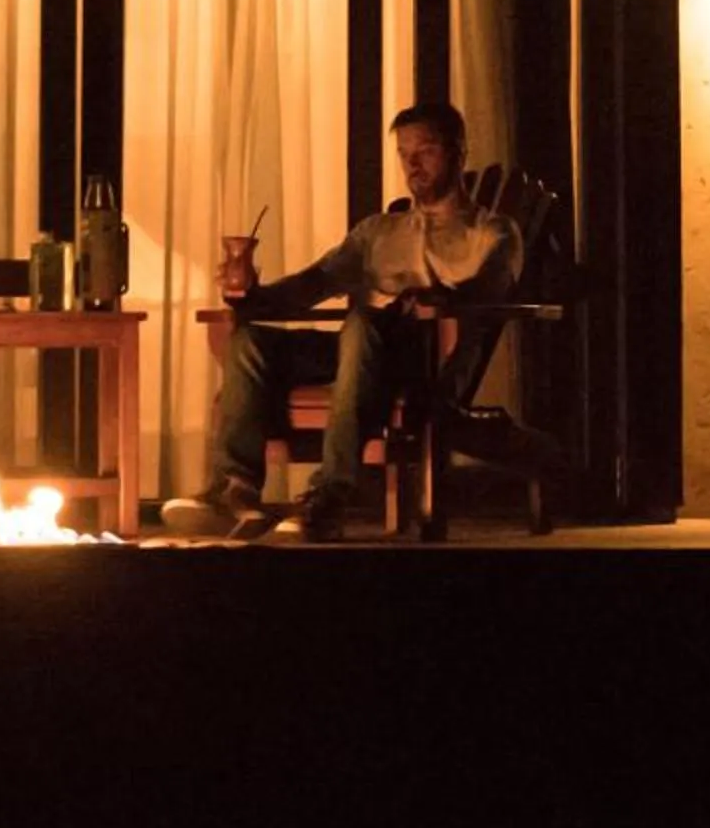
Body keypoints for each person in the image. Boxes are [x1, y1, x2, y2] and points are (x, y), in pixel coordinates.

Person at [162, 100, 523, 543]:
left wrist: (432, 296)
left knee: (360, 323)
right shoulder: (377, 232)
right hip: (359, 351)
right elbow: (314, 283)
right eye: (404, 152)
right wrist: (252, 296)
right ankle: (233, 490)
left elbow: (488, 289)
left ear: (458, 152)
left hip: (424, 362)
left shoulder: (492, 232)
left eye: (425, 150)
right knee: (252, 341)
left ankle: (329, 495)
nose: (412, 163)